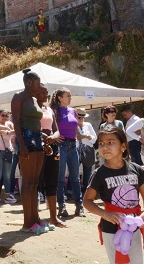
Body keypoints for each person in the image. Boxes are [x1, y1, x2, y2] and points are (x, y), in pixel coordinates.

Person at [83, 125, 144, 264]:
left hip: (134, 226)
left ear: (123, 146)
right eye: (101, 143)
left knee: (137, 261)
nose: (105, 147)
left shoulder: (136, 169)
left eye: (110, 142)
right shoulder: (98, 174)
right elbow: (87, 201)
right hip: (111, 229)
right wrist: (105, 214)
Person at [11, 69, 46, 233]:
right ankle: (27, 222)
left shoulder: (34, 98)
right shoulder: (18, 97)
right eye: (37, 83)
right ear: (29, 82)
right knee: (27, 181)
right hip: (26, 138)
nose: (39, 87)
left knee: (35, 182)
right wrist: (21, 144)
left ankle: (35, 218)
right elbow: (16, 123)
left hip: (38, 138)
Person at [50, 87, 84, 217]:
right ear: (60, 98)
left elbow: (75, 128)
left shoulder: (73, 111)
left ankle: (79, 206)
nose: (70, 98)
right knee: (60, 177)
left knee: (75, 177)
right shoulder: (54, 111)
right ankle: (62, 206)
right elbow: (53, 128)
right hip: (60, 145)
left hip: (72, 145)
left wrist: (76, 139)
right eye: (68, 96)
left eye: (70, 95)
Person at [37, 86, 65, 228]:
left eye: (47, 93)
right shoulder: (32, 109)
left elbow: (57, 130)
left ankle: (53, 217)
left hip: (52, 146)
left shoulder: (49, 110)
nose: (46, 95)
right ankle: (34, 218)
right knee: (35, 182)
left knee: (52, 181)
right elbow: (30, 127)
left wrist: (52, 138)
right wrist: (44, 137)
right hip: (37, 146)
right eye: (43, 93)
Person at [0, 109, 17, 205]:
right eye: (3, 115)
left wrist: (8, 132)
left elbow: (16, 131)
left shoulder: (10, 124)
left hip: (8, 151)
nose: (5, 117)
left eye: (6, 116)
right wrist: (9, 130)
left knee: (8, 175)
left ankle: (8, 195)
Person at [76, 107, 97, 194]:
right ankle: (74, 190)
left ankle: (86, 190)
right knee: (74, 170)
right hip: (76, 149)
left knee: (87, 170)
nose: (81, 119)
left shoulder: (88, 125)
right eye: (79, 117)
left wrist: (88, 137)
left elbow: (94, 138)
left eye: (83, 117)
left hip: (87, 149)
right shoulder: (73, 125)